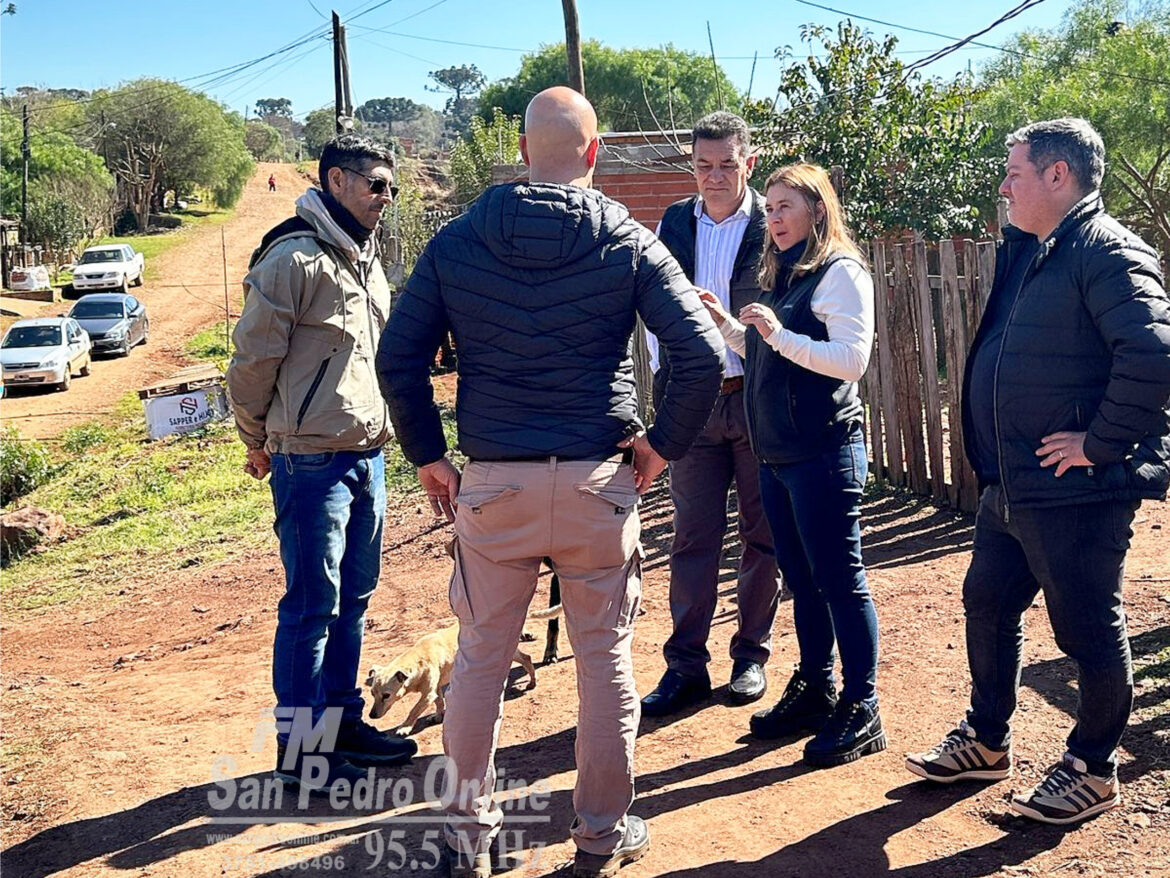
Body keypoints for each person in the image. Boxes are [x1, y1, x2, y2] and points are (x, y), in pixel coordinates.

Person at [378, 87, 723, 878]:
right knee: (604, 659)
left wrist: (429, 455)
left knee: (478, 662)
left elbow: (398, 357)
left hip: (493, 486)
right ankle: (601, 833)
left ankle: (468, 837)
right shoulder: (626, 238)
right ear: (595, 155)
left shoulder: (457, 239)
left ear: (525, 153)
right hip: (598, 484)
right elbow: (701, 355)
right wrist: (662, 447)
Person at [906, 118, 1170, 824]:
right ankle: (987, 741)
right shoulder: (1039, 250)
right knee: (988, 602)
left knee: (1086, 630)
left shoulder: (1107, 251)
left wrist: (1100, 444)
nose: (1004, 185)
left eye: (1014, 172)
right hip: (1014, 483)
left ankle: (1092, 767)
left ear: (1059, 176)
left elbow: (1153, 356)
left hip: (1076, 491)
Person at [227, 134, 417, 793]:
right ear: (337, 181)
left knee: (354, 601)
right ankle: (302, 756)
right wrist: (256, 438)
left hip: (369, 459)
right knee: (312, 606)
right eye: (377, 185)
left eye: (390, 188)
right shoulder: (293, 258)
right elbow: (251, 362)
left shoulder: (365, 259)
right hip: (309, 463)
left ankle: (341, 727)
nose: (386, 198)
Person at [699, 162, 885, 767]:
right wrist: (732, 328)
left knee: (840, 580)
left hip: (825, 452)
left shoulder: (840, 272)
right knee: (802, 582)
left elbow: (851, 360)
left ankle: (863, 705)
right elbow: (768, 358)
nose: (773, 217)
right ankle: (815, 686)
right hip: (778, 455)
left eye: (784, 207)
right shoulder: (784, 273)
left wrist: (776, 335)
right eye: (770, 207)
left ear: (816, 210)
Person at [640, 111, 784, 718]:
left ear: (747, 163)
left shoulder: (774, 220)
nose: (715, 176)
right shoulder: (673, 221)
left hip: (755, 399)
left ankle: (751, 656)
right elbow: (653, 305)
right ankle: (685, 666)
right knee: (693, 538)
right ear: (692, 166)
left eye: (727, 164)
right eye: (704, 165)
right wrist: (667, 374)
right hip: (694, 401)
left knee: (762, 535)